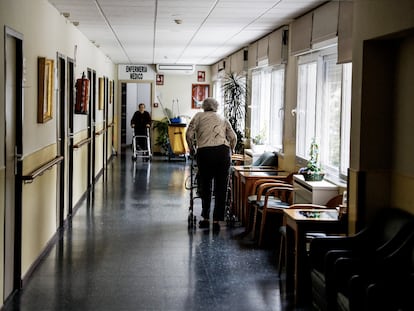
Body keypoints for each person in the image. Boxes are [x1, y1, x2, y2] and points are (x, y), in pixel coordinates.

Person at [186, 97, 237, 231]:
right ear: (216, 107)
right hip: (222, 153)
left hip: (205, 153)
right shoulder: (222, 118)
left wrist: (192, 149)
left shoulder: (198, 116)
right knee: (222, 186)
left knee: (205, 184)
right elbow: (233, 137)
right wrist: (232, 149)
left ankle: (205, 217)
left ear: (203, 106)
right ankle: (217, 220)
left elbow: (189, 134)